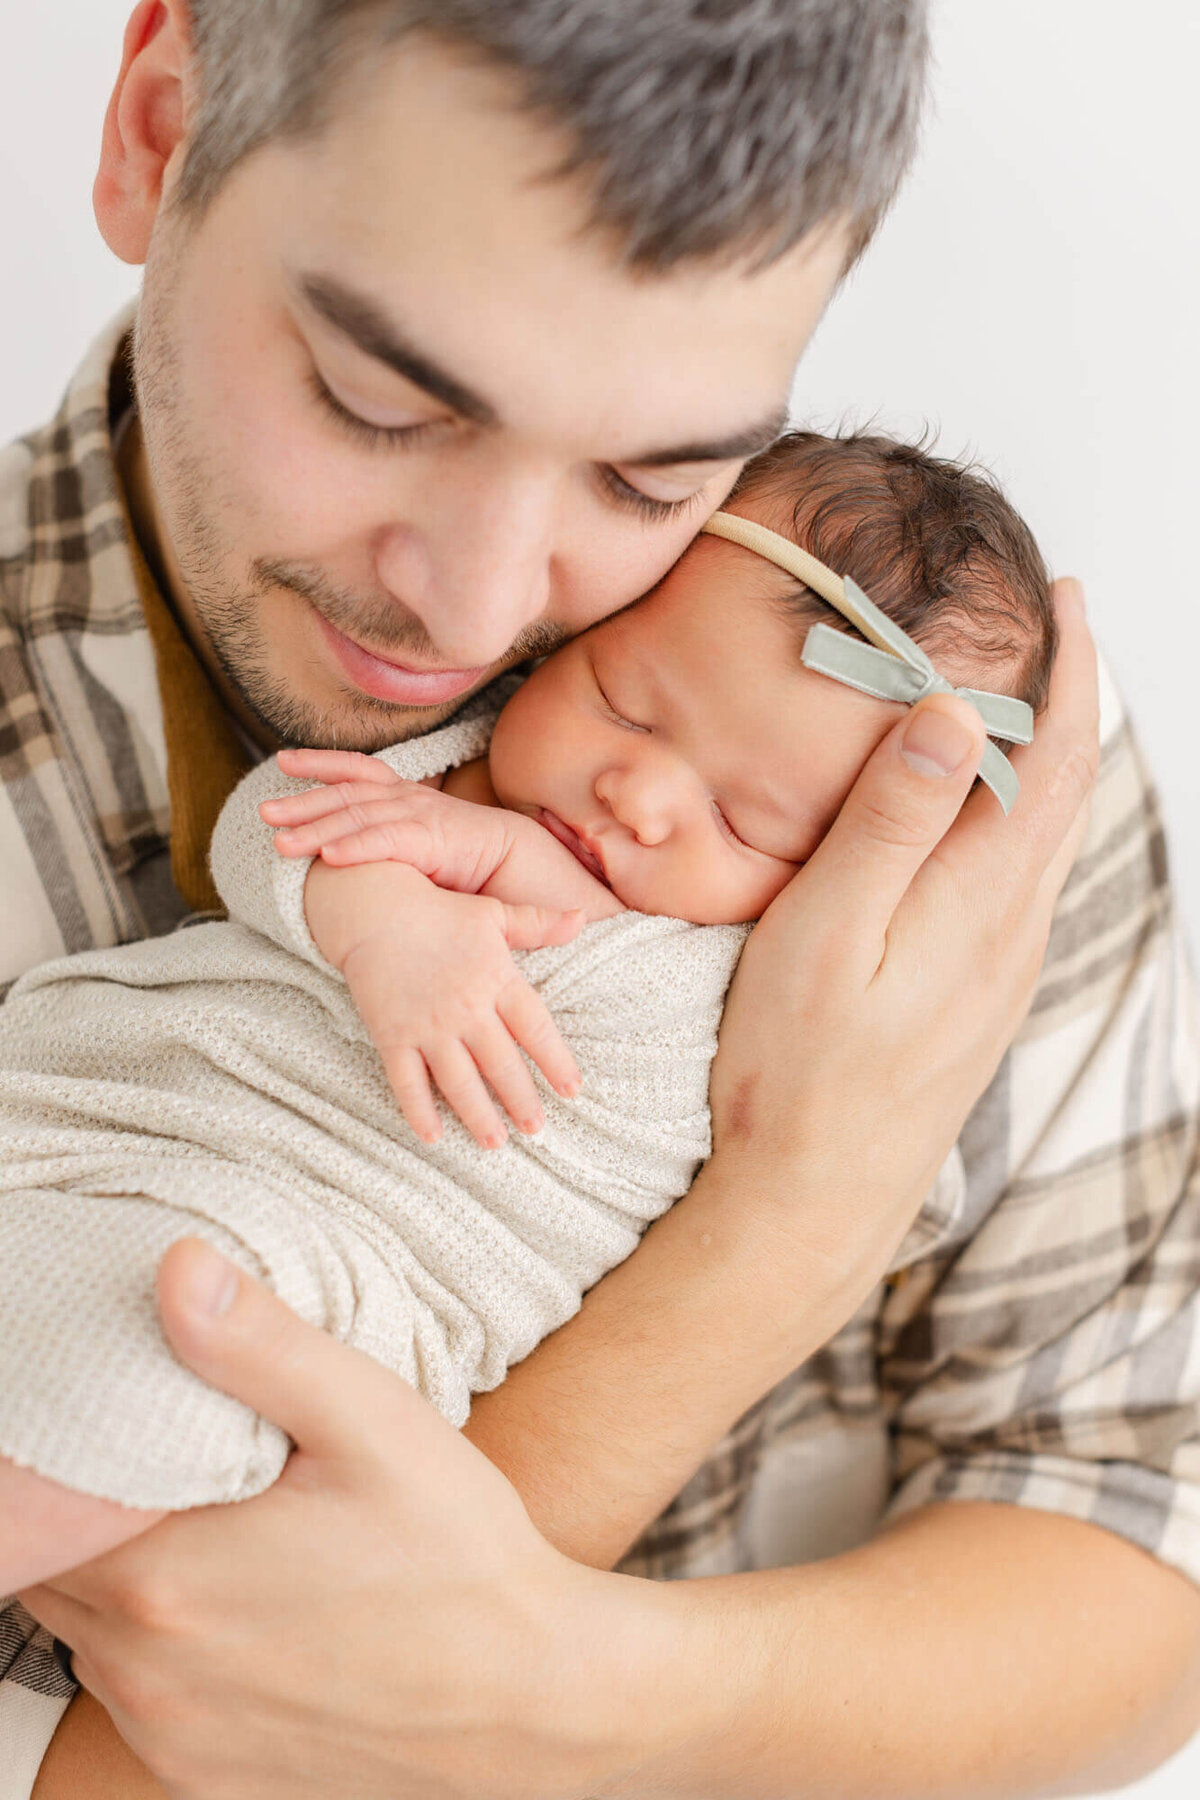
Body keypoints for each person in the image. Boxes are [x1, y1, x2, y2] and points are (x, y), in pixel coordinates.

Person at [3, 3, 1197, 1796]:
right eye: (378, 403)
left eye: (655, 478)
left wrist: (587, 1698)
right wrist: (782, 1224)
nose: (483, 611)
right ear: (158, 128)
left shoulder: (927, 780)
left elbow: (1139, 1550)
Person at [0, 429, 1053, 1584]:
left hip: (336, 1261)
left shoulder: (775, 986)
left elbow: (867, 1163)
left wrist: (491, 867)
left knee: (161, 1369)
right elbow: (281, 822)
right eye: (624, 702)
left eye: (750, 821)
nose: (638, 796)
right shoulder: (464, 764)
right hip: (115, 1102)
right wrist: (384, 920)